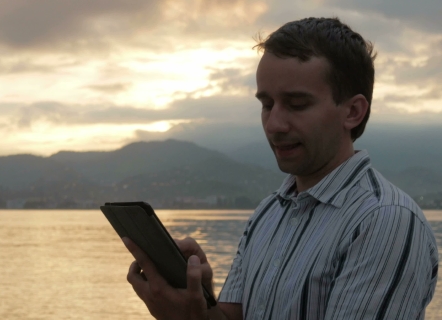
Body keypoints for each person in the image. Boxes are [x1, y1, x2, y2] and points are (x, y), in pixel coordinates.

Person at [122, 17, 439, 319]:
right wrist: (198, 301)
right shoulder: (268, 213)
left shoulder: (384, 221)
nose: (273, 124)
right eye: (266, 104)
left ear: (353, 111)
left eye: (297, 104)